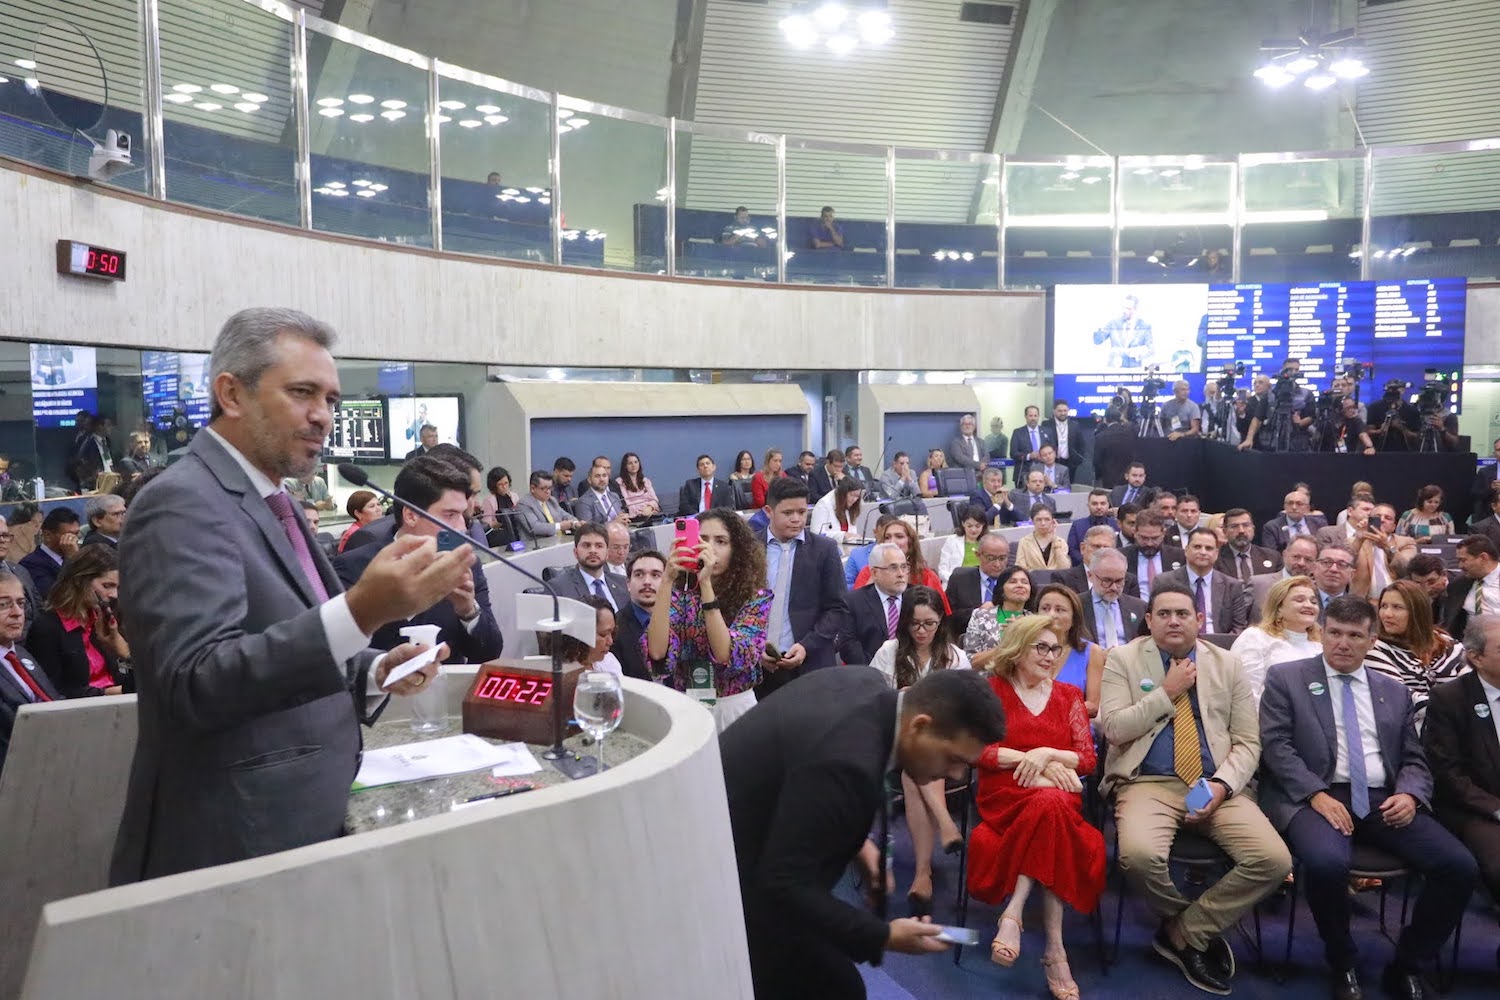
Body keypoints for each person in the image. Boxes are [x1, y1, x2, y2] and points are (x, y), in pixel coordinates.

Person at [112, 308, 474, 883]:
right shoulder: (182, 501)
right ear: (231, 394)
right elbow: (196, 682)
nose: (323, 415)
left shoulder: (271, 499)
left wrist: (372, 668)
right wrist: (362, 612)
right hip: (231, 845)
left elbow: (281, 636)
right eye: (302, 393)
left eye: (331, 399)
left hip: (297, 823)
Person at [722, 667, 1005, 998]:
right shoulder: (849, 765)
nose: (955, 774)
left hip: (740, 826)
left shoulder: (865, 683)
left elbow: (807, 780)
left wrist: (861, 847)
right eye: (953, 758)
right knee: (837, 989)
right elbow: (783, 886)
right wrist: (883, 936)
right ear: (920, 725)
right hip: (726, 885)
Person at [1257, 596, 1477, 1000]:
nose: (1343, 643)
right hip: (1314, 794)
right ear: (1322, 633)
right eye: (1335, 633)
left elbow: (1414, 756)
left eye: (1355, 636)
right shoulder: (1286, 678)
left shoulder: (1393, 690)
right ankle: (1343, 961)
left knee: (1459, 866)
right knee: (1326, 864)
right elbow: (1276, 747)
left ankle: (1408, 963)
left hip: (1382, 796)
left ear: (1372, 640)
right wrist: (1315, 793)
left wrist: (1410, 793)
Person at [1100, 582, 1291, 995]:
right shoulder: (1123, 659)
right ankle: (1191, 931)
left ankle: (1184, 933)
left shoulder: (1227, 663)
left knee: (1274, 861)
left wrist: (1222, 785)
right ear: (1149, 620)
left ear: (1199, 620)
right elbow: (1113, 729)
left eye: (1182, 614)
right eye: (1164, 614)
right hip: (1147, 782)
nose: (1173, 621)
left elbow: (1248, 741)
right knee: (1138, 857)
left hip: (1216, 783)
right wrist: (1167, 693)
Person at [967, 614, 1104, 999]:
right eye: (1040, 647)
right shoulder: (991, 692)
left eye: (1055, 649)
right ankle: (1055, 952)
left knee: (1050, 805)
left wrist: (1046, 754)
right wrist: (1030, 761)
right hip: (1005, 796)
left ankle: (1014, 913)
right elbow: (978, 751)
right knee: (1053, 806)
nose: (1049, 656)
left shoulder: (1068, 695)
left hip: (1055, 795)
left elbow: (1087, 759)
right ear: (1017, 649)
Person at [332, 456, 503, 665]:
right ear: (411, 515)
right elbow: (341, 654)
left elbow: (490, 652)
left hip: (447, 683)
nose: (461, 527)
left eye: (462, 514)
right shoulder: (354, 566)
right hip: (382, 684)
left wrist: (468, 611)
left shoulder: (466, 565)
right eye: (450, 515)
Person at [868, 586, 971, 912]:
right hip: (896, 739)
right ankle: (943, 825)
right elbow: (872, 700)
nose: (922, 631)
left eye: (929, 623)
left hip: (943, 744)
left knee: (918, 765)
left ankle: (923, 873)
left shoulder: (955, 656)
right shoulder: (890, 651)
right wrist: (900, 698)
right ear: (904, 623)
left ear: (941, 621)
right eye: (915, 624)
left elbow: (968, 709)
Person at [644, 508, 770, 729]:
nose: (709, 548)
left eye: (721, 541)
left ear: (736, 549)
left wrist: (706, 585)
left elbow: (726, 655)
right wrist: (666, 581)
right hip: (688, 704)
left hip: (734, 708)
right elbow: (656, 652)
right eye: (702, 539)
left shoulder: (756, 598)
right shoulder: (680, 596)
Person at [1424, 614, 1500, 907]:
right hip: (1474, 808)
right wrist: (1495, 808)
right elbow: (1448, 775)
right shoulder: (1450, 699)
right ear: (1476, 658)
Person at [756, 477, 849, 695]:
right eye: (788, 513)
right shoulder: (749, 546)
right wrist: (753, 647)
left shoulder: (825, 550)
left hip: (810, 665)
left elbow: (837, 608)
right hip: (756, 667)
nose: (796, 519)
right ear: (769, 511)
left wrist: (807, 645)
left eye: (802, 512)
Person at [28, 544, 130, 699]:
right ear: (80, 581)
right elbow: (53, 691)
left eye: (118, 588)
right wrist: (109, 693)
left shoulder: (104, 619)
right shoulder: (47, 628)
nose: (114, 594)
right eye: (107, 586)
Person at [1365, 580, 1468, 732]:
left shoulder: (1448, 644)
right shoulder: (1374, 649)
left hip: (1458, 727)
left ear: (1418, 611)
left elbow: (1472, 685)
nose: (1387, 614)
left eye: (1397, 607)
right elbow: (1403, 696)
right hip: (1411, 731)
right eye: (1383, 606)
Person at [0, 569, 60, 771]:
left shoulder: (21, 654)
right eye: (3, 605)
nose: (17, 612)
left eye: (21, 603)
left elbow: (52, 701)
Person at [1229, 575, 1322, 702]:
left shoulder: (1320, 646)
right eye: (1299, 600)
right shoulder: (1255, 637)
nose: (1309, 605)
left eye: (1314, 602)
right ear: (1278, 609)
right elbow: (1245, 693)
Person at [1158, 527, 1251, 637]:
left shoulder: (1232, 586)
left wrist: (1219, 645)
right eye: (1197, 547)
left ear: (1216, 554)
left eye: (1208, 548)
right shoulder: (1165, 582)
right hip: (1178, 642)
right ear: (1186, 550)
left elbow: (1238, 627)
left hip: (1220, 644)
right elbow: (1159, 622)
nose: (1203, 552)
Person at [1035, 583, 1104, 715]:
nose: (1051, 614)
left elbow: (1093, 705)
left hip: (1072, 723)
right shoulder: (1026, 649)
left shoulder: (1092, 652)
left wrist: (1052, 713)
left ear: (1074, 618)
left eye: (1059, 610)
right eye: (1045, 608)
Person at [839, 542, 910, 666]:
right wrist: (875, 671)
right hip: (868, 671)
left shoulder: (917, 598)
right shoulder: (853, 602)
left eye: (904, 567)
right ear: (875, 573)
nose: (901, 574)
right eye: (893, 568)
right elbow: (848, 646)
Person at [851, 518, 947, 609]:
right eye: (887, 537)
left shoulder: (927, 576)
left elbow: (942, 613)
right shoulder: (869, 572)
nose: (892, 541)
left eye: (899, 536)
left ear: (910, 542)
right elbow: (856, 606)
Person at [549, 522, 630, 612]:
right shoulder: (558, 588)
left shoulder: (622, 583)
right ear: (576, 552)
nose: (593, 551)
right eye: (586, 545)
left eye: (599, 546)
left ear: (607, 553)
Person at [1077, 548, 1146, 652]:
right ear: (1090, 576)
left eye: (1119, 581)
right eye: (1106, 581)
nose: (1114, 587)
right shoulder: (1075, 605)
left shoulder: (1139, 607)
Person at [964, 565, 1032, 670]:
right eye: (1013, 582)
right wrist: (1007, 644)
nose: (1020, 585)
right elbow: (970, 661)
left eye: (1025, 582)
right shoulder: (981, 616)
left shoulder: (1034, 621)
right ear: (1001, 588)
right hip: (988, 677)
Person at [612, 549, 664, 681]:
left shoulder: (680, 622)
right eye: (639, 574)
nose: (647, 581)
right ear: (628, 584)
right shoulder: (614, 629)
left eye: (655, 575)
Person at [947, 531, 1010, 635]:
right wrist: (977, 612)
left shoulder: (1015, 580)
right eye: (991, 558)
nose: (997, 564)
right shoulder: (960, 579)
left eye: (1002, 558)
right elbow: (949, 615)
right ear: (978, 555)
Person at [1441, 533, 1499, 638]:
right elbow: (1449, 623)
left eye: (1463, 560)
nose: (1460, 566)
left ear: (1483, 558)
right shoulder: (1457, 585)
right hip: (1468, 643)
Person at [1122, 511, 1185, 601]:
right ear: (1135, 532)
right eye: (1144, 538)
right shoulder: (1122, 557)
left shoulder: (1179, 556)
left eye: (1155, 538)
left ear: (1163, 533)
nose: (1149, 543)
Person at [556, 598, 622, 676]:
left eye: (613, 633)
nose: (610, 642)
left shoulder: (609, 662)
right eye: (603, 634)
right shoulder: (556, 671)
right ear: (581, 634)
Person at [1216, 508, 1280, 584]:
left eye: (1246, 525)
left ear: (1253, 529)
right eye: (1234, 526)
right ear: (1225, 531)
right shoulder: (1216, 559)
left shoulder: (1272, 557)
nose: (1241, 531)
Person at [1091, 294, 1153, 369]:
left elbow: (1151, 350)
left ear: (1135, 310)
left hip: (1134, 370)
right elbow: (1098, 341)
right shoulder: (1113, 323)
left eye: (1128, 308)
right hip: (1114, 369)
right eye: (1123, 307)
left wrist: (1135, 353)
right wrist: (1096, 330)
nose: (1124, 311)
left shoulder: (1144, 326)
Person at [516, 470, 582, 538]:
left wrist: (575, 523)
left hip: (559, 539)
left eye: (550, 488)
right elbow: (534, 527)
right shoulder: (524, 504)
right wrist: (559, 526)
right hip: (538, 542)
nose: (548, 492)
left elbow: (565, 515)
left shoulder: (551, 500)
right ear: (533, 488)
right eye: (543, 488)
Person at [1262, 488, 1328, 552]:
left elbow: (1325, 550)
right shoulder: (1272, 527)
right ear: (1284, 506)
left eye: (1299, 504)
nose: (1294, 507)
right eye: (1290, 503)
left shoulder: (1319, 525)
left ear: (1307, 508)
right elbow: (1271, 554)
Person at [937, 503, 987, 585]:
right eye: (969, 526)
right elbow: (942, 571)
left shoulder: (987, 542)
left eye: (977, 526)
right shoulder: (952, 541)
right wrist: (958, 581)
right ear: (963, 524)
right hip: (956, 584)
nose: (973, 530)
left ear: (983, 525)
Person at [1065, 489, 1116, 566]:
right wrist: (1089, 563)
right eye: (1094, 504)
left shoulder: (1116, 525)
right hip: (1083, 566)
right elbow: (1072, 550)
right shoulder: (1078, 525)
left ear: (1108, 505)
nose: (1099, 507)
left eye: (1102, 503)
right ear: (1088, 505)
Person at [574, 459, 630, 526]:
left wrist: (624, 519)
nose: (602, 479)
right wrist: (613, 523)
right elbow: (588, 529)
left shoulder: (614, 496)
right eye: (597, 476)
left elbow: (620, 516)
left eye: (604, 475)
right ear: (589, 480)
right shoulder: (583, 502)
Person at [1015, 506, 1071, 572]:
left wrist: (1056, 543)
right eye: (1039, 520)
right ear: (1032, 521)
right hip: (1033, 577)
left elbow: (1065, 568)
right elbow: (1020, 568)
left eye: (1047, 519)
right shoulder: (1024, 542)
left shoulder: (1060, 542)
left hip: (1056, 577)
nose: (1043, 523)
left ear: (1053, 521)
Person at [810, 477, 864, 542]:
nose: (854, 499)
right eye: (852, 495)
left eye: (857, 496)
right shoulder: (824, 504)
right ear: (843, 493)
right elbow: (816, 533)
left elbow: (852, 534)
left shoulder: (851, 506)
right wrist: (843, 535)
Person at [1043, 400, 1084, 483]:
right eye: (1060, 411)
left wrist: (1078, 459)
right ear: (1054, 411)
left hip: (1070, 463)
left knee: (1068, 486)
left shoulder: (1075, 425)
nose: (1063, 413)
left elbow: (1081, 444)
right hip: (1052, 462)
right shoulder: (1046, 424)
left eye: (1065, 410)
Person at [614, 452, 661, 520]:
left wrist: (649, 508)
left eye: (636, 462)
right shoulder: (620, 482)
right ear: (625, 466)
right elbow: (626, 503)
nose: (634, 465)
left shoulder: (645, 481)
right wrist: (641, 512)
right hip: (634, 517)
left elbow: (655, 499)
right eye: (630, 463)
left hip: (650, 513)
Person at [1010, 405, 1047, 478]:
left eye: (1035, 416)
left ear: (1038, 416)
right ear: (1025, 417)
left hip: (1044, 472)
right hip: (1024, 472)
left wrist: (1044, 456)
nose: (1033, 418)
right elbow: (1013, 453)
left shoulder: (1047, 431)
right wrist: (1029, 456)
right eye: (1030, 416)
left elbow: (1052, 449)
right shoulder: (1018, 432)